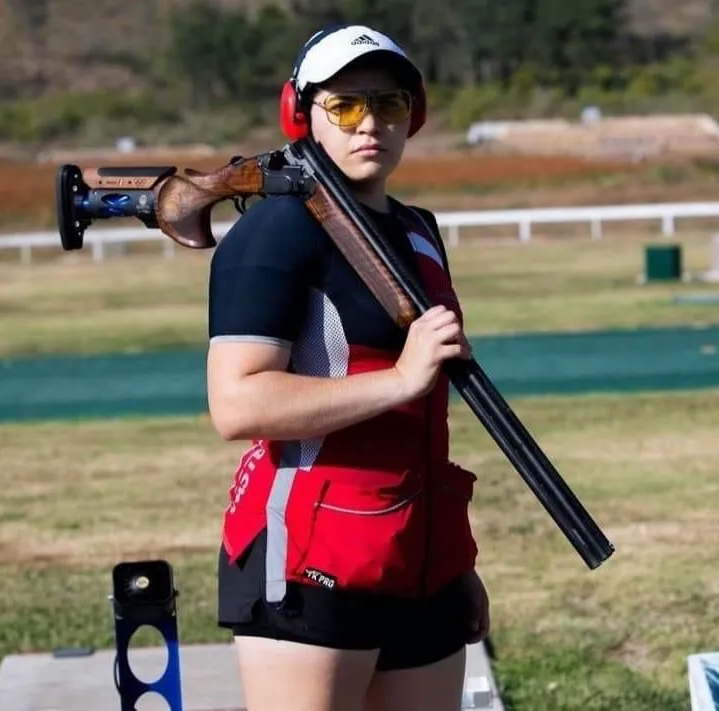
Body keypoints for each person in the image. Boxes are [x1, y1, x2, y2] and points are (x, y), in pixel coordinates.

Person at [206, 23, 490, 711]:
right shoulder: (274, 230)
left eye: (388, 104)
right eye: (345, 105)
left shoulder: (417, 229)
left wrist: (455, 562)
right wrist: (399, 379)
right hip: (312, 558)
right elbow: (237, 404)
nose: (370, 123)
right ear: (300, 113)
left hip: (421, 558)